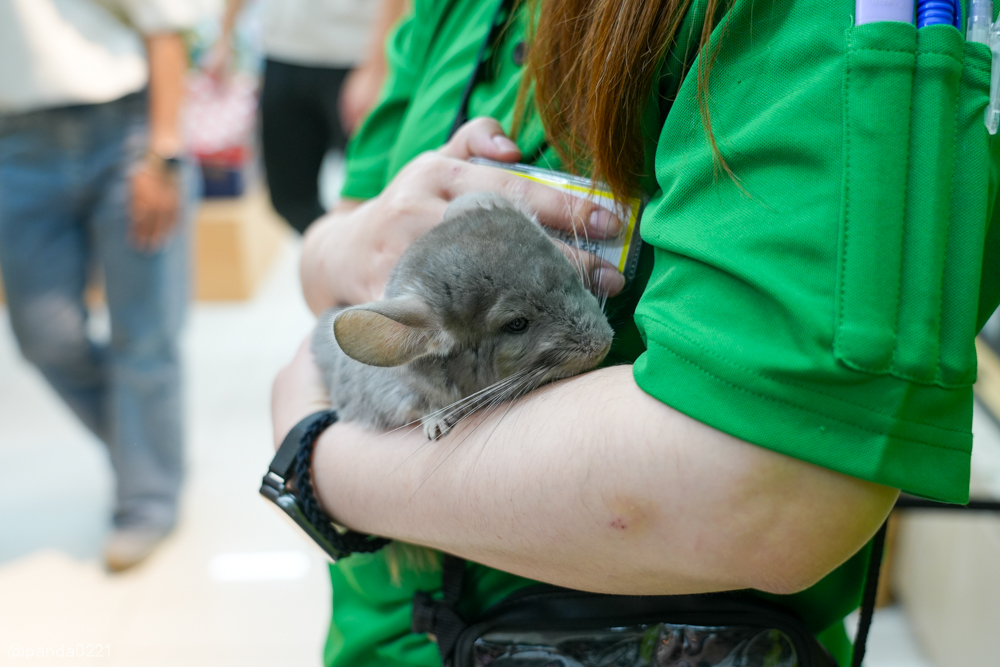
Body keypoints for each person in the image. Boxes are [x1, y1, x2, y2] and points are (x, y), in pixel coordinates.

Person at [271, 0, 1000, 664]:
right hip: (374, 636)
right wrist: (346, 245)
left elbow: (762, 496)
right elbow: (344, 245)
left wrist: (314, 462)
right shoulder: (453, 12)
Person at [0, 0, 202, 571]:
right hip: (15, 143)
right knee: (46, 337)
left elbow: (165, 26)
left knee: (145, 334)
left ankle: (148, 498)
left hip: (126, 130)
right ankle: (151, 452)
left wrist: (163, 154)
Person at [208, 0, 408, 233]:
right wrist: (224, 37)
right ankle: (334, 249)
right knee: (288, 199)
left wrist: (378, 66)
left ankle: (351, 247)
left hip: (354, 54)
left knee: (374, 193)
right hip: (281, 50)